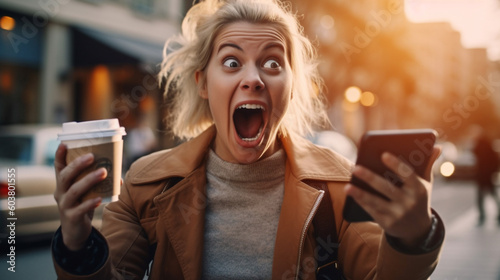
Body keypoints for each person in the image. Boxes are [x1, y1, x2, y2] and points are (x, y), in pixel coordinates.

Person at [51, 0, 445, 279]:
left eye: (273, 62)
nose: (254, 78)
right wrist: (77, 241)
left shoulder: (341, 189)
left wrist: (413, 236)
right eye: (232, 62)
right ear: (204, 83)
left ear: (291, 86)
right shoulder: (143, 185)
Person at [472, 129, 500, 226]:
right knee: (492, 195)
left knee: (482, 197)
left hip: (484, 175)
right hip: (486, 175)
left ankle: (482, 216)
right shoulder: (487, 146)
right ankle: (487, 215)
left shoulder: (480, 146)